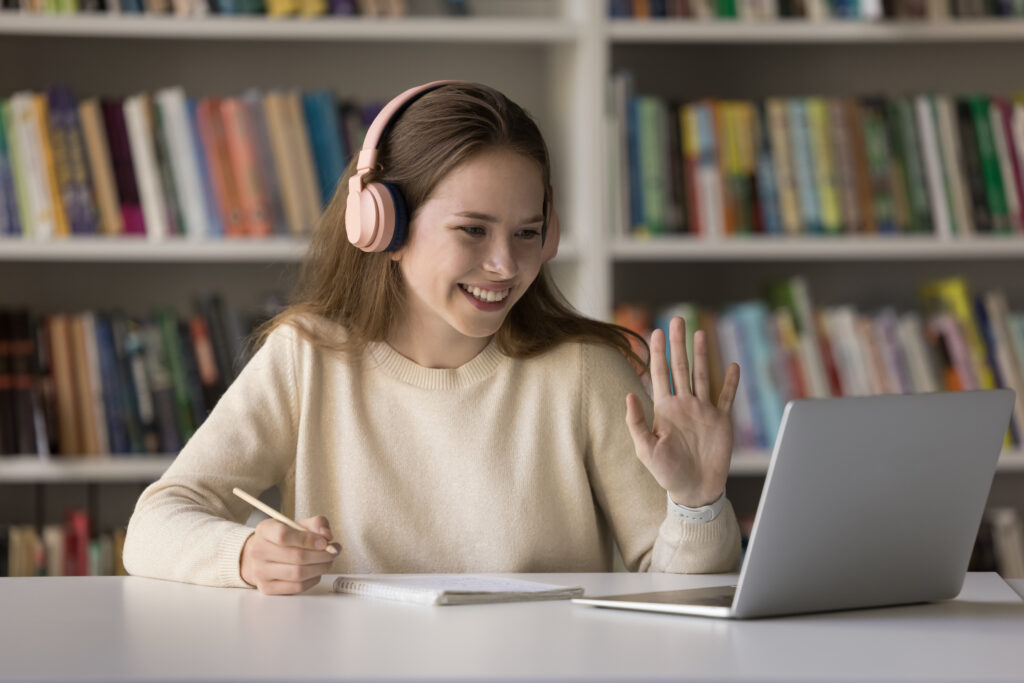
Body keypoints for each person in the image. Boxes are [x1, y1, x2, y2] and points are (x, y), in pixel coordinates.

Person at [122, 81, 743, 595]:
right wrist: (245, 554)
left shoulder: (584, 372)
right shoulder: (306, 360)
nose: (505, 264)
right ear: (382, 226)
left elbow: (680, 600)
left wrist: (696, 503)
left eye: (528, 233)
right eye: (473, 230)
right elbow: (154, 522)